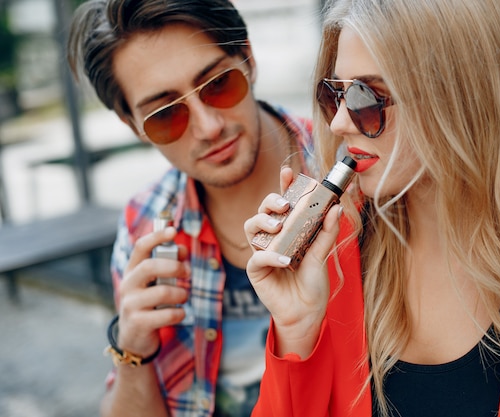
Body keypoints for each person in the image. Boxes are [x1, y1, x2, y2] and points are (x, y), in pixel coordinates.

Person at [243, 0, 500, 416]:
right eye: (334, 93)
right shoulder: (326, 264)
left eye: (364, 97)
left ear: (460, 101)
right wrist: (297, 332)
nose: (338, 123)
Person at [66, 0, 314, 416]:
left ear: (248, 60)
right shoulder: (144, 224)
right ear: (133, 127)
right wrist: (133, 351)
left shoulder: (353, 178)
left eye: (218, 84)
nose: (208, 127)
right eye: (166, 115)